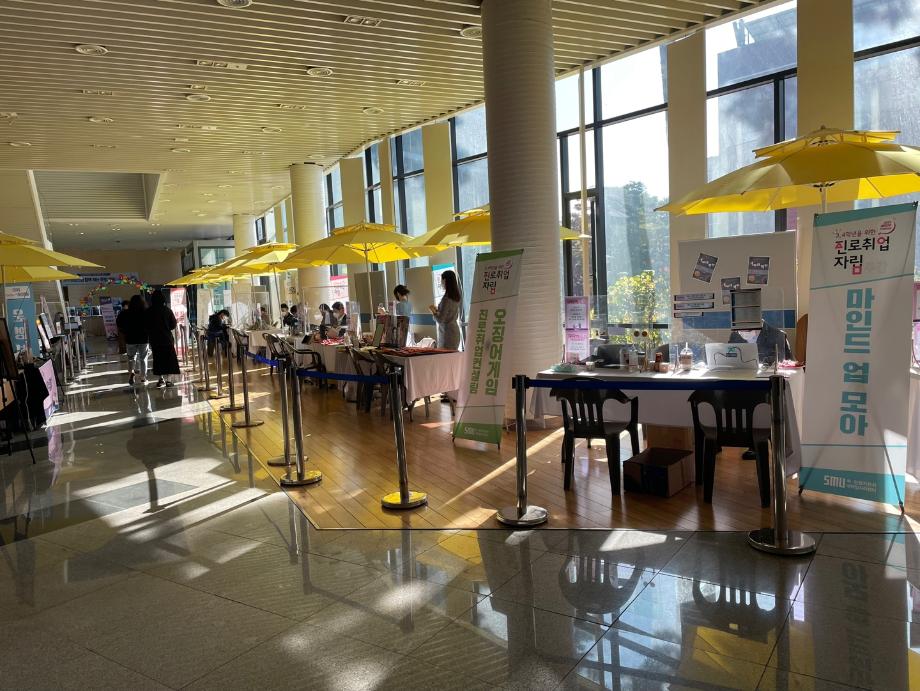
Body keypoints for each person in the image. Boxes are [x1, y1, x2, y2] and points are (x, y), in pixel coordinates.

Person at [145, 291, 181, 387]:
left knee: (158, 359)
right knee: (169, 359)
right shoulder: (167, 310)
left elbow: (146, 325)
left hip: (155, 340)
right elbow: (173, 325)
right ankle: (169, 380)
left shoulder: (148, 311)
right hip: (167, 339)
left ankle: (161, 380)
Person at [429, 270, 462, 350]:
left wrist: (433, 311)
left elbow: (441, 319)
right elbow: (448, 314)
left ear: (445, 280)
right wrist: (438, 311)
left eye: (441, 280)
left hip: (447, 334)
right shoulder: (456, 296)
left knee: (445, 356)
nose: (441, 283)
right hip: (454, 331)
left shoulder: (446, 299)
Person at [121, 295, 148, 386]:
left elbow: (119, 323)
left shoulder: (125, 313)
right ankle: (143, 377)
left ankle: (131, 373)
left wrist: (125, 332)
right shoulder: (146, 312)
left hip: (130, 339)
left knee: (131, 357)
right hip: (143, 339)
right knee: (143, 358)